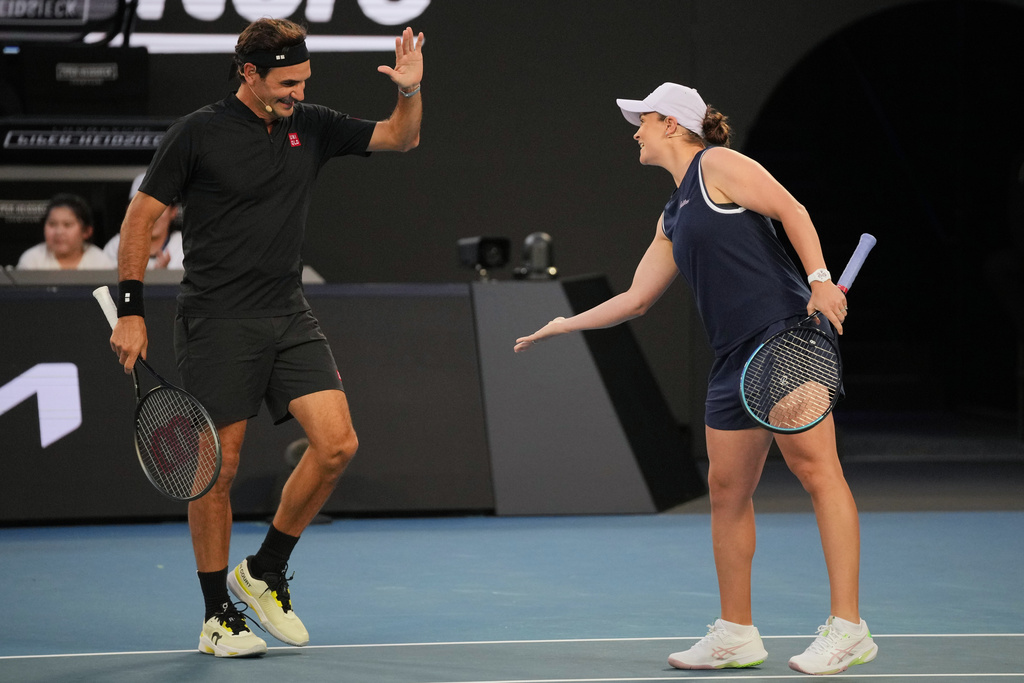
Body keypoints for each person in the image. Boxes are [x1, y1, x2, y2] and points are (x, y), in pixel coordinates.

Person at [514, 83, 876, 676]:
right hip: (732, 358)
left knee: (817, 472)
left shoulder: (720, 164)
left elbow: (793, 210)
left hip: (784, 337)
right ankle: (736, 633)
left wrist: (818, 279)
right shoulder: (673, 214)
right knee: (727, 494)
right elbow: (635, 299)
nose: (635, 131)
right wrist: (563, 323)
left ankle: (849, 628)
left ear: (674, 125)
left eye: (644, 121)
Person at [105, 18, 424, 658]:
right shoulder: (197, 132)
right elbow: (141, 216)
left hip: (287, 313)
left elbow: (399, 138)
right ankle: (216, 615)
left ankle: (264, 570)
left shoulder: (313, 123)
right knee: (214, 472)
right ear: (248, 73)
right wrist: (132, 309)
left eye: (303, 80)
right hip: (216, 319)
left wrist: (410, 91)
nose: (296, 93)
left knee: (337, 445)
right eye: (286, 82)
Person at [104, 173, 184, 269]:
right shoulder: (116, 247)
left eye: (159, 205)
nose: (151, 214)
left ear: (173, 211)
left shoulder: (184, 247)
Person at [17, 193, 115, 270]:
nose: (59, 232)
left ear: (86, 231)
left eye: (67, 225)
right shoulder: (31, 260)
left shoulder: (101, 262)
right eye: (52, 224)